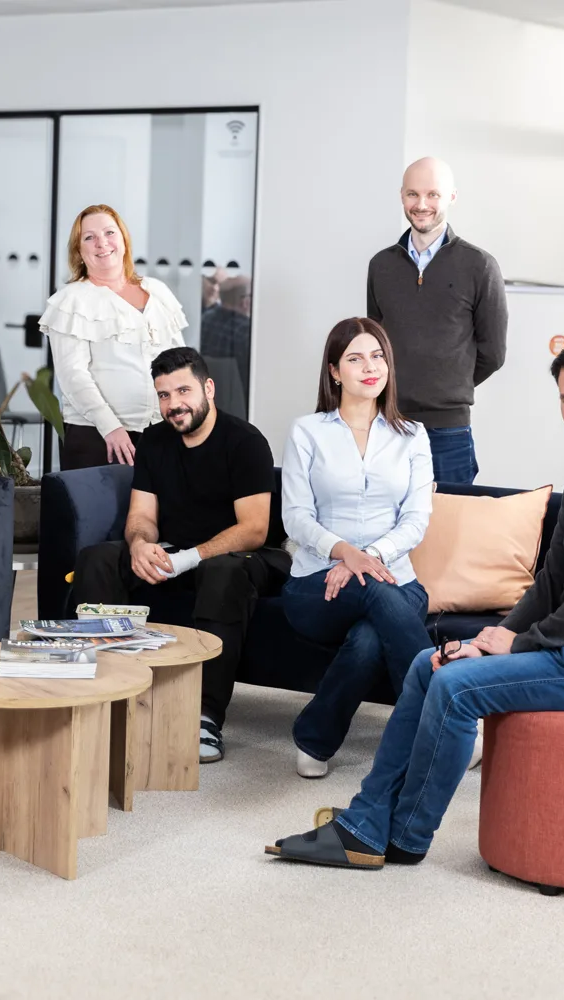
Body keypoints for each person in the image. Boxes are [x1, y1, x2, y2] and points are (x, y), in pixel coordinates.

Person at [267, 330, 564, 869]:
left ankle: (405, 836)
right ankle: (366, 823)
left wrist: (518, 643)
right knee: (425, 664)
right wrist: (487, 639)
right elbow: (552, 583)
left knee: (456, 687)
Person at [69, 347, 281, 762]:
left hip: (242, 557)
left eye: (183, 391)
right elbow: (142, 516)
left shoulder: (245, 442)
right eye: (164, 395)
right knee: (97, 557)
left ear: (209, 388)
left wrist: (188, 558)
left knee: (221, 573)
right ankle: (94, 688)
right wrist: (139, 545)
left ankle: (205, 716)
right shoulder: (155, 440)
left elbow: (254, 529)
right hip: (173, 553)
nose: (174, 404)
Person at [281, 317, 433, 779]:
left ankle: (314, 739)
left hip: (395, 582)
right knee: (374, 596)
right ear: (334, 372)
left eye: (377, 356)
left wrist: (369, 559)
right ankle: (445, 716)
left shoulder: (413, 436)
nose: (370, 367)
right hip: (315, 585)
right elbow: (295, 517)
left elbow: (416, 519)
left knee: (368, 636)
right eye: (355, 358)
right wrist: (344, 551)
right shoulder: (307, 432)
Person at [366, 157, 506, 484]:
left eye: (433, 194)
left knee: (448, 525)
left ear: (451, 197)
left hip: (449, 430)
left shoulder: (480, 265)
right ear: (402, 196)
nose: (422, 204)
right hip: (389, 423)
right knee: (385, 521)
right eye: (413, 194)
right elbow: (374, 346)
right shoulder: (381, 265)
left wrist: (448, 385)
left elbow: (494, 354)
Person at [41, 204, 188, 471]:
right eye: (89, 237)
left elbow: (181, 364)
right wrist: (111, 428)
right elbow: (73, 376)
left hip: (161, 432)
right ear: (79, 251)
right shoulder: (71, 300)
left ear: (123, 240)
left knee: (159, 513)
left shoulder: (158, 291)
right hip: (97, 437)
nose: (102, 243)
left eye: (109, 232)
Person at [199, 275, 252, 395]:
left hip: (208, 395)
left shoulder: (205, 319)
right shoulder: (246, 330)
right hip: (238, 401)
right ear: (244, 301)